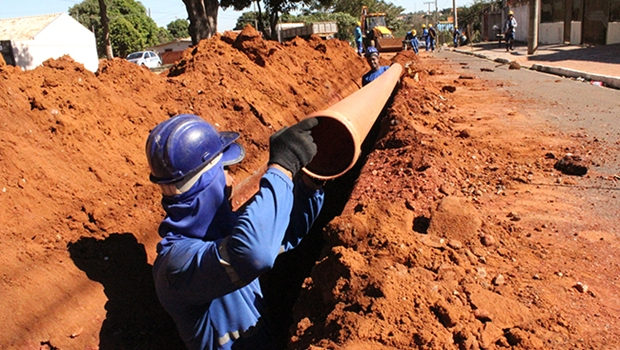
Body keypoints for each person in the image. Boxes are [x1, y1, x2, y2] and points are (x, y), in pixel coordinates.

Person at [146, 114, 325, 350]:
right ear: (207, 182)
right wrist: (281, 168)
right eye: (225, 169)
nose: (231, 179)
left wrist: (312, 182)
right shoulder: (176, 266)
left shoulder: (222, 231)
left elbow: (282, 230)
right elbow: (255, 253)